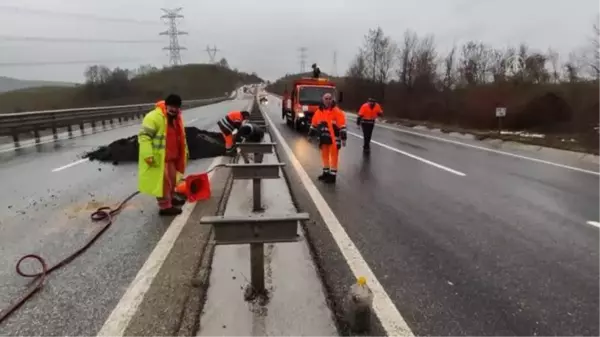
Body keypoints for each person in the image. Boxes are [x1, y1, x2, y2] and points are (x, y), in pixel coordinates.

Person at [138, 94, 189, 216]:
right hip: (159, 158)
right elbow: (144, 137)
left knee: (172, 181)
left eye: (176, 108)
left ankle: (170, 199)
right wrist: (148, 155)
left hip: (172, 157)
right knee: (163, 184)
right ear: (166, 105)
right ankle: (165, 207)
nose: (174, 110)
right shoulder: (154, 117)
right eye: (171, 107)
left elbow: (180, 136)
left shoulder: (177, 118)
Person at [308, 93, 347, 184]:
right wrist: (310, 135)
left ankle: (332, 176)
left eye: (329, 98)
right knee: (324, 156)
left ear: (332, 100)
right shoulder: (319, 111)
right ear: (323, 99)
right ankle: (326, 173)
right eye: (326, 98)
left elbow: (342, 125)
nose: (328, 100)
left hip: (333, 138)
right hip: (323, 138)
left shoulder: (336, 111)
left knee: (334, 157)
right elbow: (314, 124)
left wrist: (343, 138)